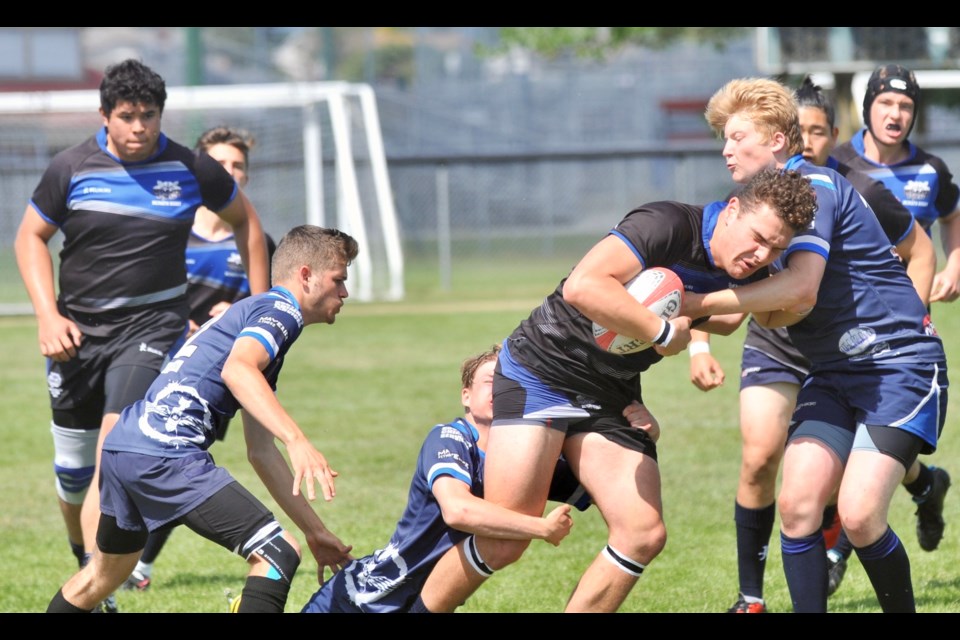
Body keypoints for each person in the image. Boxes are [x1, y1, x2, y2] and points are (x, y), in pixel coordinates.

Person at [411, 167, 817, 613]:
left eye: (777, 248)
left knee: (642, 533)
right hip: (544, 369)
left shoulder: (740, 266)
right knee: (505, 541)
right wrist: (661, 330)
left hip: (611, 392)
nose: (761, 254)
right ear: (733, 209)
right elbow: (583, 286)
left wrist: (702, 312)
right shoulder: (667, 225)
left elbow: (728, 318)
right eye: (758, 238)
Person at [14, 58, 270, 612]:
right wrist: (46, 315)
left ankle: (91, 586)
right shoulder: (71, 167)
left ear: (161, 115)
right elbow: (30, 238)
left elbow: (247, 222)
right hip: (76, 337)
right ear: (104, 115)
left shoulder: (191, 167)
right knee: (73, 476)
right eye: (127, 117)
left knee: (113, 453)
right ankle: (83, 554)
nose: (138, 128)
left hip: (152, 330)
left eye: (148, 116)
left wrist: (259, 305)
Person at [686, 77, 948, 613]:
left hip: (898, 368)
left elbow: (800, 289)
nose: (726, 149)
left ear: (779, 140)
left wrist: (696, 306)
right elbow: (740, 314)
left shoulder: (813, 187)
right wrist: (658, 319)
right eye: (723, 140)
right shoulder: (753, 208)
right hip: (831, 371)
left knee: (857, 514)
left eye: (737, 136)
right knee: (799, 506)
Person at [45, 224, 357, 614]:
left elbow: (261, 452)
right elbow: (238, 370)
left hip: (126, 445)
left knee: (102, 577)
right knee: (277, 554)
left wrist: (315, 531)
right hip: (165, 453)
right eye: (339, 280)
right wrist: (298, 440)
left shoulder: (252, 315)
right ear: (306, 275)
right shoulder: (281, 310)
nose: (345, 292)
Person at [301, 343, 596, 612]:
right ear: (465, 396)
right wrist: (541, 528)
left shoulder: (521, 460)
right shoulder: (449, 438)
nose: (501, 389)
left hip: (418, 603)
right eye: (491, 382)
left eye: (510, 383)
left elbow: (608, 487)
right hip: (359, 599)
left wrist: (638, 428)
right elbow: (458, 510)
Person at [122, 125, 277, 593]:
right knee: (140, 452)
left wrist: (235, 315)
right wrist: (175, 321)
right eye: (220, 164)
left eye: (237, 166)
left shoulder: (254, 241)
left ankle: (135, 565)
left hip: (209, 372)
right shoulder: (170, 228)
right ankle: (116, 558)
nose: (229, 172)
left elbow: (267, 308)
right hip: (149, 356)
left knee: (181, 456)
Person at [832, 63, 953, 554]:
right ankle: (925, 485)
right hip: (842, 321)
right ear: (868, 109)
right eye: (886, 103)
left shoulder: (931, 170)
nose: (895, 113)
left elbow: (951, 216)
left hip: (905, 328)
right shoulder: (837, 165)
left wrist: (955, 266)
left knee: (872, 435)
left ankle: (837, 548)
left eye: (905, 106)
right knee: (849, 436)